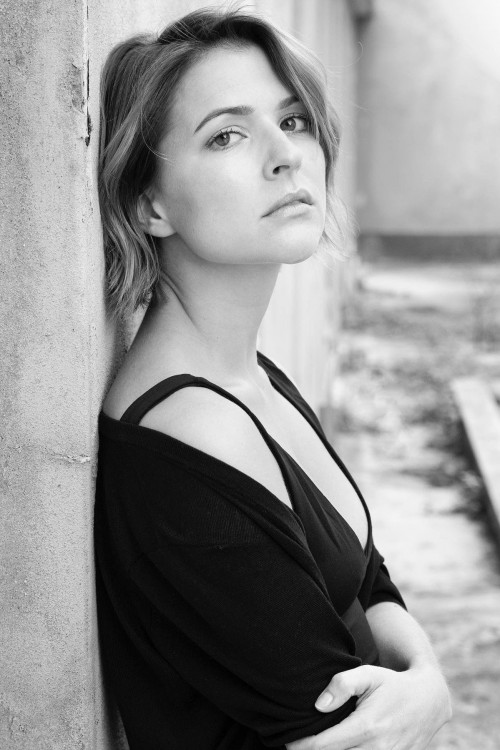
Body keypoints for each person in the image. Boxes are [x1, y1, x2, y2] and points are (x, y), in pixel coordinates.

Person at [94, 7, 452, 750]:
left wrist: (426, 678)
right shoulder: (191, 434)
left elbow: (364, 577)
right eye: (226, 135)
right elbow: (342, 727)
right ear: (150, 204)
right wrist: (419, 699)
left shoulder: (252, 376)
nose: (287, 155)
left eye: (292, 121)